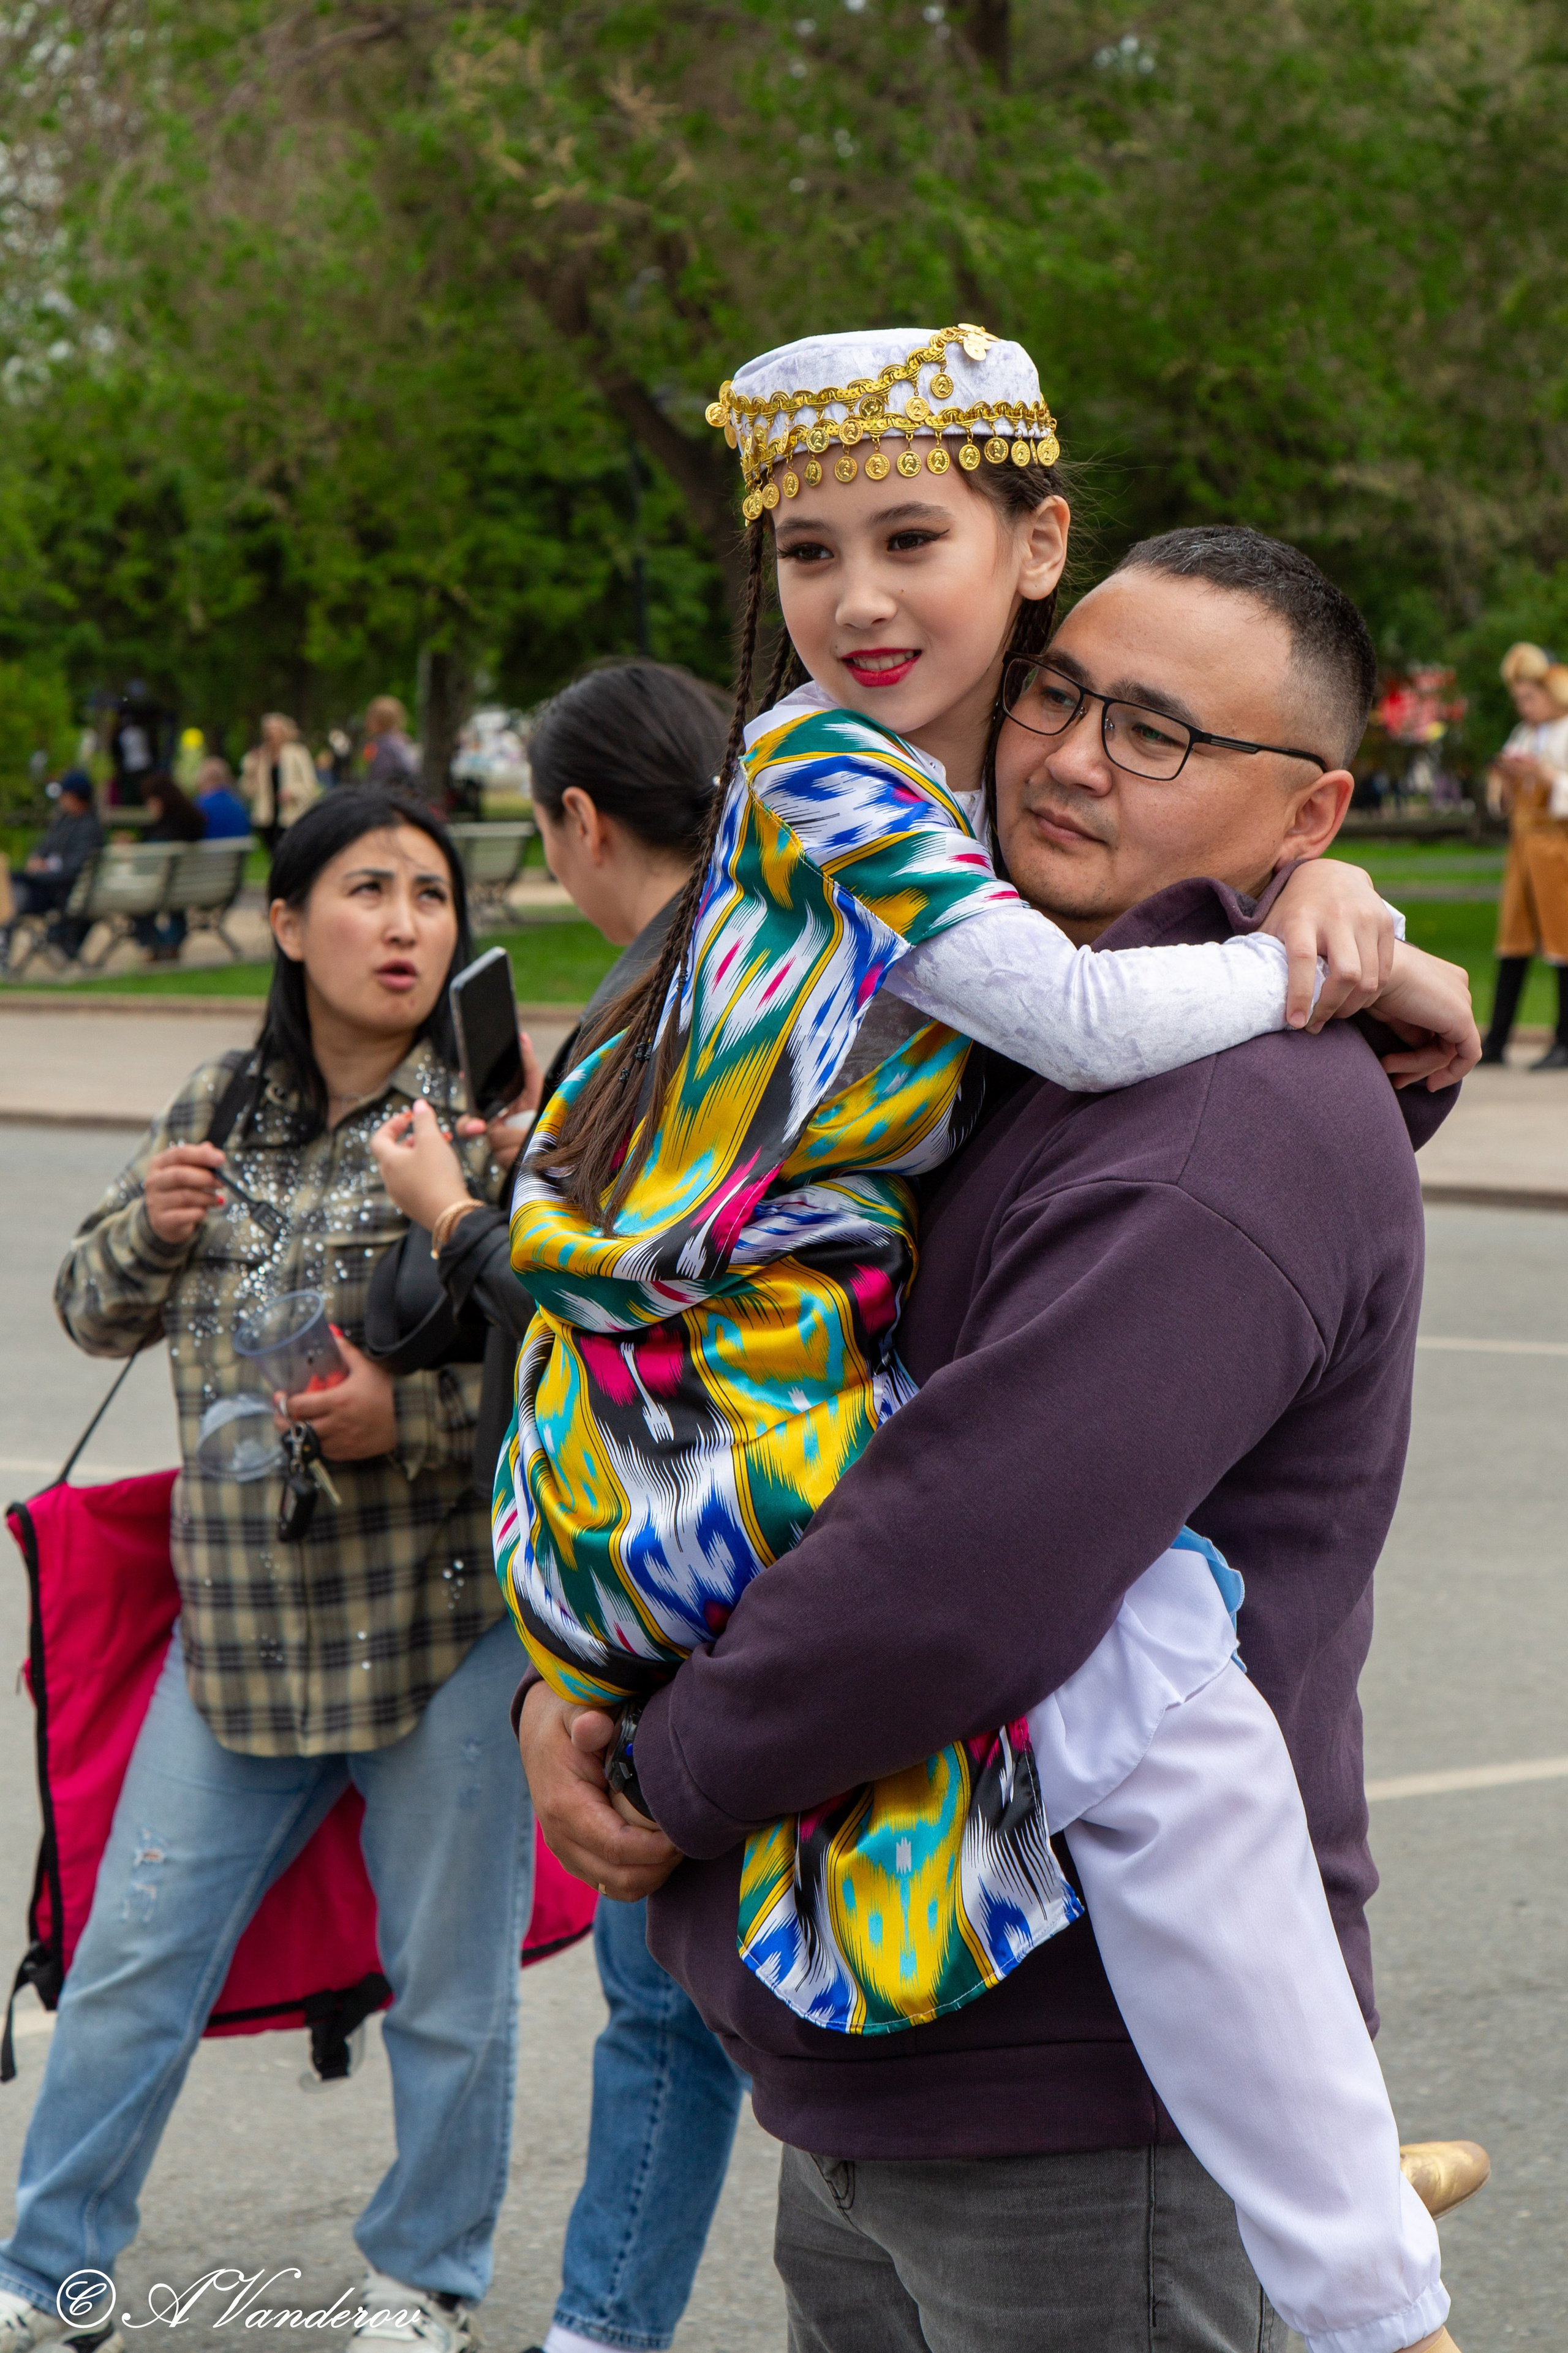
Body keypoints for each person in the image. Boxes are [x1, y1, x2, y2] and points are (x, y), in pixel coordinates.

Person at [514, 334, 1476, 2351]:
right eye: (1062, 702)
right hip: (895, 2068)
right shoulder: (926, 898)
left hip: (1072, 2105)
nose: (1067, 760)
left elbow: (963, 1573)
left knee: (1162, 1677)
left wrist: (653, 1765)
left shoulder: (1221, 1097)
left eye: (1155, 734)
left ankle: (1358, 2259)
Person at [0, 790, 534, 2353]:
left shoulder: (491, 1122)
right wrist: (148, 1232)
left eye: (431, 895)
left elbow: (560, 1364)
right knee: (127, 1961)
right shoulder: (218, 1096)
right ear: (291, 923)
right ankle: (49, 2271)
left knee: (451, 1989)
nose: (405, 923)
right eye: (366, 890)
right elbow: (88, 1311)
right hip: (239, 1636)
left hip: (441, 1632)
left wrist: (408, 1416)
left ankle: (425, 2275)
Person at [371, 662, 748, 2353]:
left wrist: (461, 1212)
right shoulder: (743, 972)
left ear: (582, 822)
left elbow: (615, 1329)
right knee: (680, 2005)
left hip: (676, 1586)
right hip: (723, 1576)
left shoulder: (665, 1008)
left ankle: (605, 2325)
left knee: (680, 2009)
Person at [1479, 640, 1568, 1066]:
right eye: (1519, 698)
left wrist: (1545, 776)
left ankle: (1564, 1040)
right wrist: (1507, 779)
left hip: (1559, 848)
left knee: (1563, 941)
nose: (1525, 707)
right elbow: (1508, 801)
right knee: (1512, 941)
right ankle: (1496, 1041)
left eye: (1530, 697)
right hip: (1524, 848)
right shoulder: (1525, 734)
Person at [0, 774, 103, 969]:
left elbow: (72, 869)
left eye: (64, 795)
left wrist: (43, 870)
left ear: (75, 797)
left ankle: (2, 959)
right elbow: (43, 849)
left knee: (7, 897)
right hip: (43, 885)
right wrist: (37, 862)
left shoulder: (88, 828)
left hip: (59, 893)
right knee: (5, 882)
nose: (61, 799)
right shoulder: (64, 821)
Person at [132, 770, 207, 960]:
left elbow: (144, 864)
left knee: (136, 898)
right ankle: (171, 943)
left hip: (162, 888)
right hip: (189, 886)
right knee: (172, 899)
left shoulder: (164, 832)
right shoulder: (193, 821)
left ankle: (160, 944)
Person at [240, 712, 320, 851]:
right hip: (266, 818)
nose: (270, 733)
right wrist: (252, 768)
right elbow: (248, 790)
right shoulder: (259, 756)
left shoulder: (297, 753)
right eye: (267, 729)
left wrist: (292, 793)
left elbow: (310, 785)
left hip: (291, 817)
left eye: (274, 729)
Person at [362, 698, 420, 793]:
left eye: (371, 717)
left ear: (381, 721)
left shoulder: (388, 744)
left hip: (390, 796)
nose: (367, 721)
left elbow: (407, 770)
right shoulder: (390, 741)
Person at [192, 753, 254, 840]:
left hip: (206, 852)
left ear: (203, 781)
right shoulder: (239, 805)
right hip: (237, 852)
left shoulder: (200, 806)